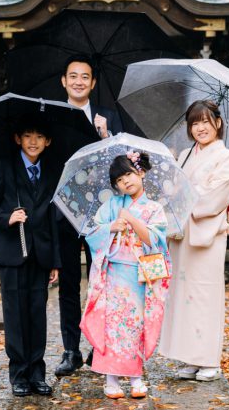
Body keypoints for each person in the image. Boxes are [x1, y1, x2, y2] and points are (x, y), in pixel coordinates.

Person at [159, 100, 229, 382]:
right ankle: (190, 358)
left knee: (204, 295)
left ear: (217, 123)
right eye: (195, 123)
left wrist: (183, 190)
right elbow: (172, 188)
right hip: (182, 234)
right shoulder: (184, 154)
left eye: (206, 121)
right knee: (183, 297)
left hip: (206, 234)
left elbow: (214, 195)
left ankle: (209, 359)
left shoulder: (226, 157)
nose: (200, 128)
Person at [0, 119, 61, 397]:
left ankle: (38, 373)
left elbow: (53, 218)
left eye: (39, 136)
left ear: (48, 141)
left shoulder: (51, 171)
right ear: (18, 139)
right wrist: (6, 217)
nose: (33, 141)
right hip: (11, 251)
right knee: (15, 315)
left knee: (38, 314)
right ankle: (19, 374)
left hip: (41, 254)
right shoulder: (4, 167)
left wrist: (55, 261)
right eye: (27, 136)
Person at [80, 151, 170, 399]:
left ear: (141, 172)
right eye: (119, 180)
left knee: (136, 324)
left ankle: (136, 377)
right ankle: (110, 379)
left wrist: (130, 218)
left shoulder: (154, 208)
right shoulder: (111, 205)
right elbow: (92, 234)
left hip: (140, 275)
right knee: (112, 325)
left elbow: (155, 240)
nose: (125, 182)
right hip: (114, 273)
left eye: (129, 174)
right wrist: (111, 227)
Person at [55, 54, 123, 376]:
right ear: (64, 82)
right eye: (73, 76)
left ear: (93, 83)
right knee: (69, 284)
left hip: (102, 214)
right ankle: (71, 349)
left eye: (85, 77)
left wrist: (106, 137)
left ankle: (101, 348)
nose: (79, 81)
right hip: (66, 214)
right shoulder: (53, 116)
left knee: (102, 281)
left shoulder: (108, 116)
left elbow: (123, 164)